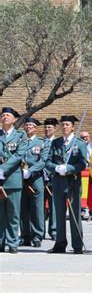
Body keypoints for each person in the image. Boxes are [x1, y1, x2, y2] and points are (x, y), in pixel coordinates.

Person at [46, 115, 87, 254]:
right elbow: (48, 162)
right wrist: (56, 168)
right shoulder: (56, 143)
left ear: (73, 127)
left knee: (75, 214)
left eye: (67, 124)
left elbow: (82, 164)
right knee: (59, 215)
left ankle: (77, 245)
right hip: (58, 184)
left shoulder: (79, 143)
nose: (65, 127)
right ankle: (60, 243)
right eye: (63, 124)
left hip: (73, 184)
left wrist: (68, 169)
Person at [0, 107, 27, 253]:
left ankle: (12, 243)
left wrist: (3, 168)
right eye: (3, 115)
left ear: (14, 119)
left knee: (13, 214)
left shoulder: (20, 136)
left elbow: (19, 155)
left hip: (13, 179)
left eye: (8, 115)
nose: (5, 117)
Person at [19, 117, 48, 248]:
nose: (28, 127)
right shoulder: (21, 142)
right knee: (23, 209)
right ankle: (25, 235)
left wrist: (30, 170)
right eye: (27, 125)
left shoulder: (42, 142)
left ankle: (37, 236)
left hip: (35, 179)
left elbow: (43, 161)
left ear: (36, 128)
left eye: (31, 125)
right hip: (21, 179)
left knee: (37, 209)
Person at [43, 118, 58, 240]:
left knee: (54, 206)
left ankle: (53, 230)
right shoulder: (40, 142)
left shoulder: (57, 143)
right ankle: (39, 231)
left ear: (55, 129)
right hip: (39, 178)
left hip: (53, 178)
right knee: (39, 207)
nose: (47, 129)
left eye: (50, 127)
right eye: (46, 127)